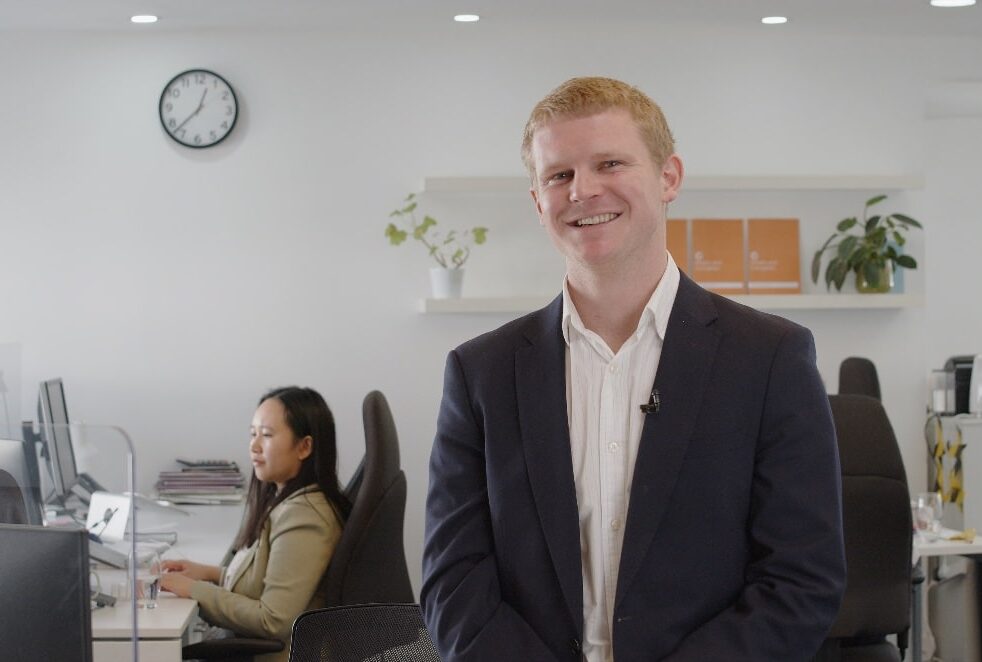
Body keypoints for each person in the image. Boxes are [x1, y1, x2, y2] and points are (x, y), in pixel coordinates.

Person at [421, 77, 846, 661]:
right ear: (537, 200)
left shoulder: (771, 359)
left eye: (610, 163)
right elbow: (454, 582)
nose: (582, 191)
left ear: (669, 177)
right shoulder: (480, 374)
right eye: (559, 175)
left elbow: (802, 580)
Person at [161, 386, 350, 662]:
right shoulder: (289, 501)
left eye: (267, 435)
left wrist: (192, 590)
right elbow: (265, 579)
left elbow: (273, 620)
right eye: (253, 434)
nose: (254, 446)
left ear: (304, 446)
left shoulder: (305, 517)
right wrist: (209, 573)